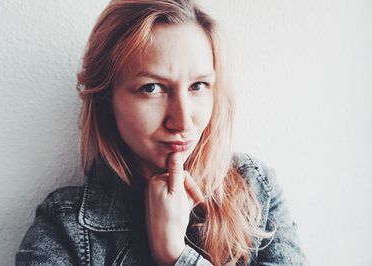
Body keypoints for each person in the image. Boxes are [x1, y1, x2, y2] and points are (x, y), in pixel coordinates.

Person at [16, 0, 307, 265]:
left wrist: (174, 254)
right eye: (152, 88)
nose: (182, 121)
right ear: (106, 100)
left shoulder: (256, 190)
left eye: (198, 86)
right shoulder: (63, 228)